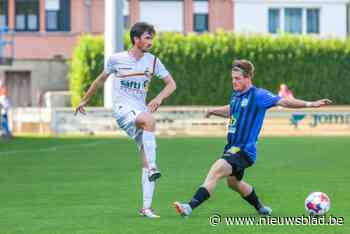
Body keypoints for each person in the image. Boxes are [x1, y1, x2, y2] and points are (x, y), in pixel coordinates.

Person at [174, 59, 331, 217]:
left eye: (237, 79)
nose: (234, 82)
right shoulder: (236, 96)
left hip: (244, 150)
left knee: (215, 170)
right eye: (232, 79)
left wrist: (311, 104)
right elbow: (232, 110)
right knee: (234, 183)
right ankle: (261, 208)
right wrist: (214, 111)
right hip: (232, 147)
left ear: (248, 77)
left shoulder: (259, 95)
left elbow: (283, 101)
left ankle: (189, 207)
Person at [75, 22, 176, 218]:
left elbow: (171, 84)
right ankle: (154, 167)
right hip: (122, 110)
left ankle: (146, 208)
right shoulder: (117, 59)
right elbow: (100, 80)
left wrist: (158, 98)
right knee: (150, 121)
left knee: (146, 157)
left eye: (151, 37)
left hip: (139, 111)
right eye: (147, 37)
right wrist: (84, 100)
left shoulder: (153, 61)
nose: (150, 41)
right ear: (136, 39)